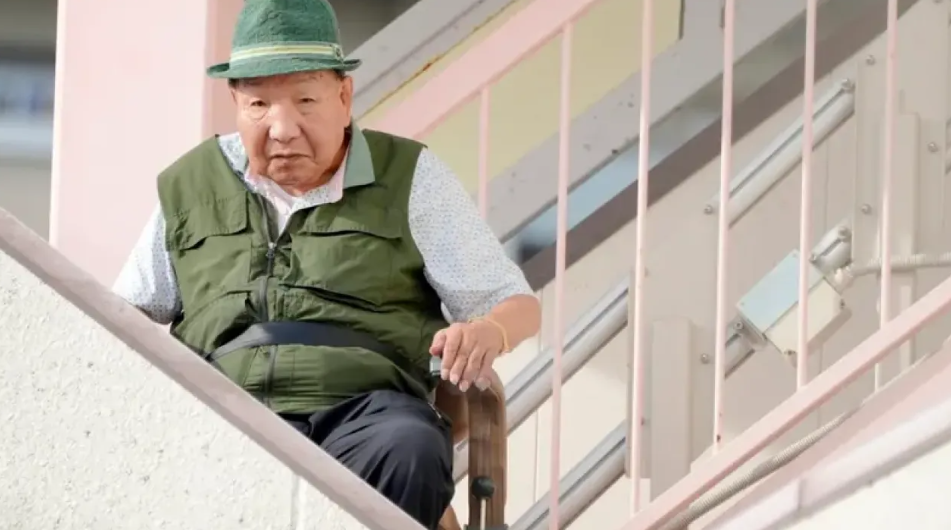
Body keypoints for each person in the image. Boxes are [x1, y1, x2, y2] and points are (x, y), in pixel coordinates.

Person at [112, 0, 540, 528]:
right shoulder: (191, 183)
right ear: (235, 102)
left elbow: (516, 304)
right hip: (223, 412)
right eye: (259, 104)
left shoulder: (410, 176)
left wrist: (488, 331)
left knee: (409, 448)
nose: (282, 128)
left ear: (344, 96)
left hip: (365, 414)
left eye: (305, 101)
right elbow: (120, 318)